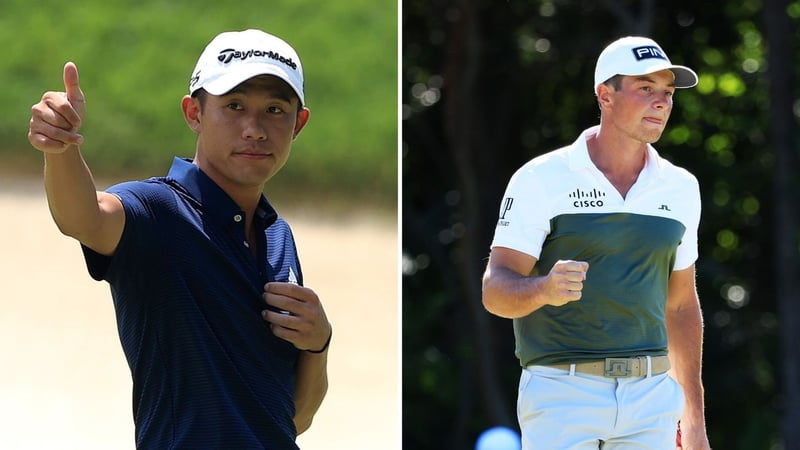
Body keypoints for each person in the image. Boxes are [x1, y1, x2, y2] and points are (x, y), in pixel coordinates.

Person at [27, 29, 332, 449]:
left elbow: (294, 418)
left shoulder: (277, 234)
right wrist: (60, 150)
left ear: (299, 123)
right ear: (194, 113)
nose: (255, 129)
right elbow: (84, 217)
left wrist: (318, 345)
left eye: (275, 110)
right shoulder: (157, 210)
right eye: (234, 106)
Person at [482, 36, 711, 449]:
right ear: (605, 95)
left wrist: (693, 420)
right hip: (561, 394)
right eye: (645, 89)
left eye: (668, 93)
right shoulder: (540, 179)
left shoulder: (682, 188)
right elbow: (495, 291)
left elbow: (680, 306)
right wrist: (544, 289)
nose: (661, 103)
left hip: (652, 399)